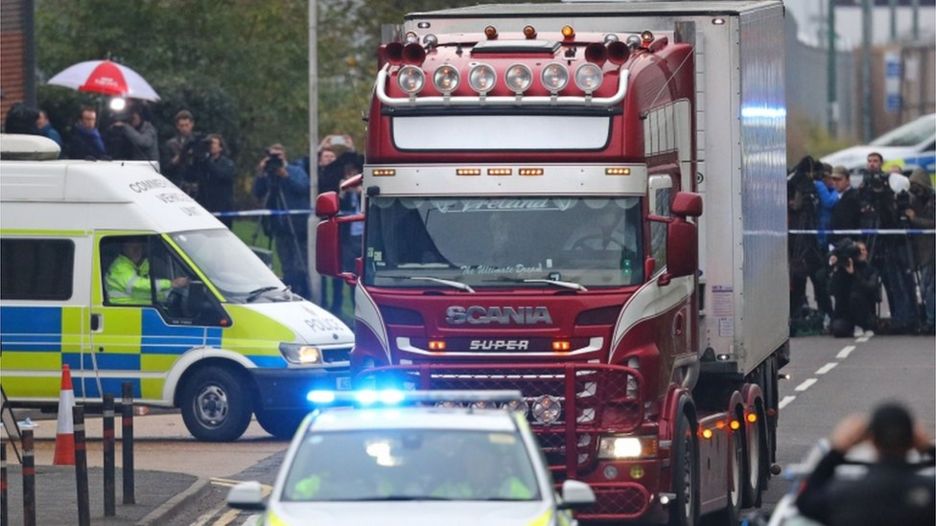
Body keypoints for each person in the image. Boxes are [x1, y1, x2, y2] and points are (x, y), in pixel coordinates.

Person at [795, 402, 935, 526]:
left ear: (872, 440)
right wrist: (928, 448)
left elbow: (805, 503)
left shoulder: (844, 494)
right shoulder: (929, 492)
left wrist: (837, 451)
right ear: (913, 440)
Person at [252, 144, 311, 299]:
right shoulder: (268, 174)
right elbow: (257, 193)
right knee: (286, 264)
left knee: (300, 265)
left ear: (284, 155)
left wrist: (286, 176)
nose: (275, 159)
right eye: (272, 156)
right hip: (279, 226)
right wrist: (261, 173)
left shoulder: (295, 170)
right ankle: (289, 292)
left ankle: (304, 292)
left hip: (297, 226)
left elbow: (304, 188)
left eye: (278, 155)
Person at [105, 238, 188, 305]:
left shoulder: (140, 266)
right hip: (122, 313)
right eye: (132, 248)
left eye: (139, 248)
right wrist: (172, 283)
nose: (136, 251)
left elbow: (144, 292)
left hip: (138, 310)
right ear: (124, 248)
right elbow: (138, 286)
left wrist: (167, 295)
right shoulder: (120, 267)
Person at [828, 239, 878, 337]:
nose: (861, 253)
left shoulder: (870, 270)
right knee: (838, 329)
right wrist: (835, 270)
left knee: (855, 296)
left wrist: (854, 273)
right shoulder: (843, 269)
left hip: (864, 311)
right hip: (846, 313)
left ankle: (863, 325)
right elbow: (831, 290)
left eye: (863, 250)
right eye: (859, 251)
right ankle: (851, 328)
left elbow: (870, 288)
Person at [906, 168, 935, 333]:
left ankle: (931, 320)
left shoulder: (933, 201)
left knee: (928, 288)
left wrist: (915, 219)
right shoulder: (913, 200)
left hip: (932, 251)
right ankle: (930, 318)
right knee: (926, 288)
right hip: (922, 251)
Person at [192, 134, 236, 227]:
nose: (211, 145)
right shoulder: (203, 162)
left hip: (222, 206)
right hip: (206, 203)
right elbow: (193, 175)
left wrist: (207, 161)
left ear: (221, 147)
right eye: (209, 143)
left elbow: (222, 175)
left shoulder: (227, 163)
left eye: (214, 143)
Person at [162, 110, 200, 196]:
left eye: (187, 125)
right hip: (178, 184)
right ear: (177, 126)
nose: (184, 128)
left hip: (196, 184)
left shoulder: (198, 141)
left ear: (192, 124)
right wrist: (177, 159)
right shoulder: (171, 144)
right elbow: (165, 167)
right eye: (182, 126)